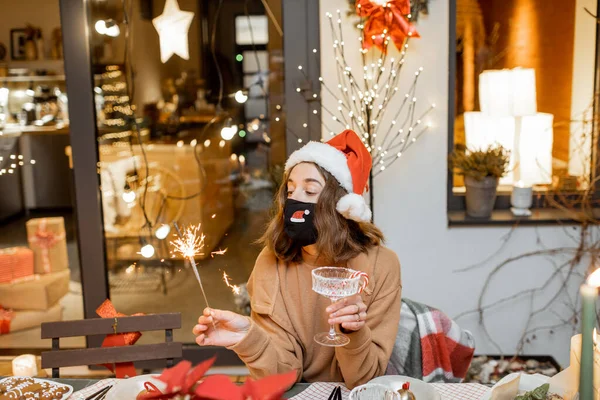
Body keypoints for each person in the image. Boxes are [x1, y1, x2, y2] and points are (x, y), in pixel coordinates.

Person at [193, 130, 402, 389]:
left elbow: (365, 380)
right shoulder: (270, 262)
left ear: (340, 203)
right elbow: (283, 374)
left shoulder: (382, 265)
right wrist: (247, 337)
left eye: (310, 190)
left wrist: (352, 332)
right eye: (290, 190)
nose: (295, 200)